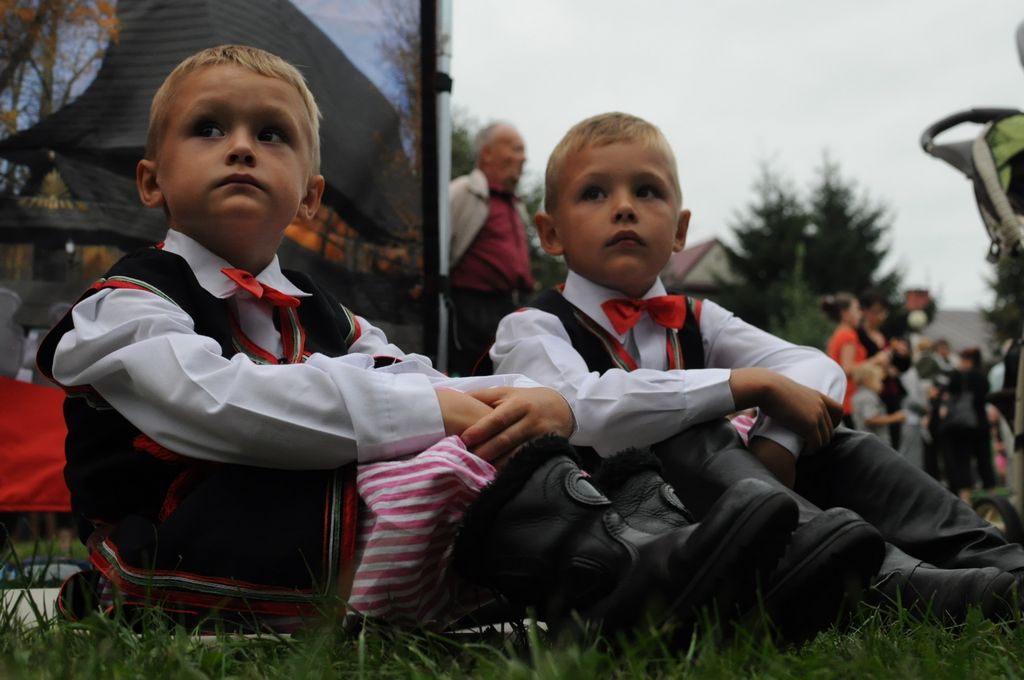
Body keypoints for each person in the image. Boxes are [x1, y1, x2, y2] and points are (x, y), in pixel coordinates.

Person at [35, 47, 797, 640]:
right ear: (151, 181)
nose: (240, 148)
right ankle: (632, 579)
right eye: (209, 128)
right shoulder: (125, 306)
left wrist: (509, 403)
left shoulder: (327, 315)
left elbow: (411, 376)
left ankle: (661, 556)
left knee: (500, 437)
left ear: (310, 195)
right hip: (180, 545)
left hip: (299, 530)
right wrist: (444, 413)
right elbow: (217, 404)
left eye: (271, 135)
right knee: (433, 464)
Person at [491, 111, 1024, 634]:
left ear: (679, 230)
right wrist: (744, 384)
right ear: (551, 234)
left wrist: (779, 440)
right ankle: (891, 582)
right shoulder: (531, 328)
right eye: (594, 193)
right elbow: (580, 409)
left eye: (647, 191)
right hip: (621, 536)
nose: (625, 207)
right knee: (689, 432)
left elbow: (811, 364)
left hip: (731, 509)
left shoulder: (699, 318)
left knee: (837, 443)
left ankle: (998, 560)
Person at [447, 122, 534, 377]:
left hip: (513, 307)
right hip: (472, 312)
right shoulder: (462, 192)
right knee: (479, 379)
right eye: (516, 149)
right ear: (487, 153)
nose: (524, 158)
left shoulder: (516, 205)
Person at [822, 292, 887, 428]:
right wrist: (876, 360)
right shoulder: (848, 335)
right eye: (856, 309)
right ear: (845, 313)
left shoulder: (840, 332)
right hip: (850, 400)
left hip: (845, 398)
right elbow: (848, 369)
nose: (861, 314)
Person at [942, 347, 996, 503]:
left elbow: (948, 394)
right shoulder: (982, 377)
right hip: (981, 424)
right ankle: (992, 499)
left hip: (961, 426)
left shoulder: (957, 376)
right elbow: (986, 396)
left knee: (962, 461)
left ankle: (966, 499)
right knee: (984, 460)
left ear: (968, 360)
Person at [850, 363, 905, 447]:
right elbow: (870, 418)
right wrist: (894, 418)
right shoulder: (868, 397)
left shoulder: (858, 395)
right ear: (867, 381)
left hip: (866, 443)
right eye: (879, 381)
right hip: (874, 444)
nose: (882, 384)